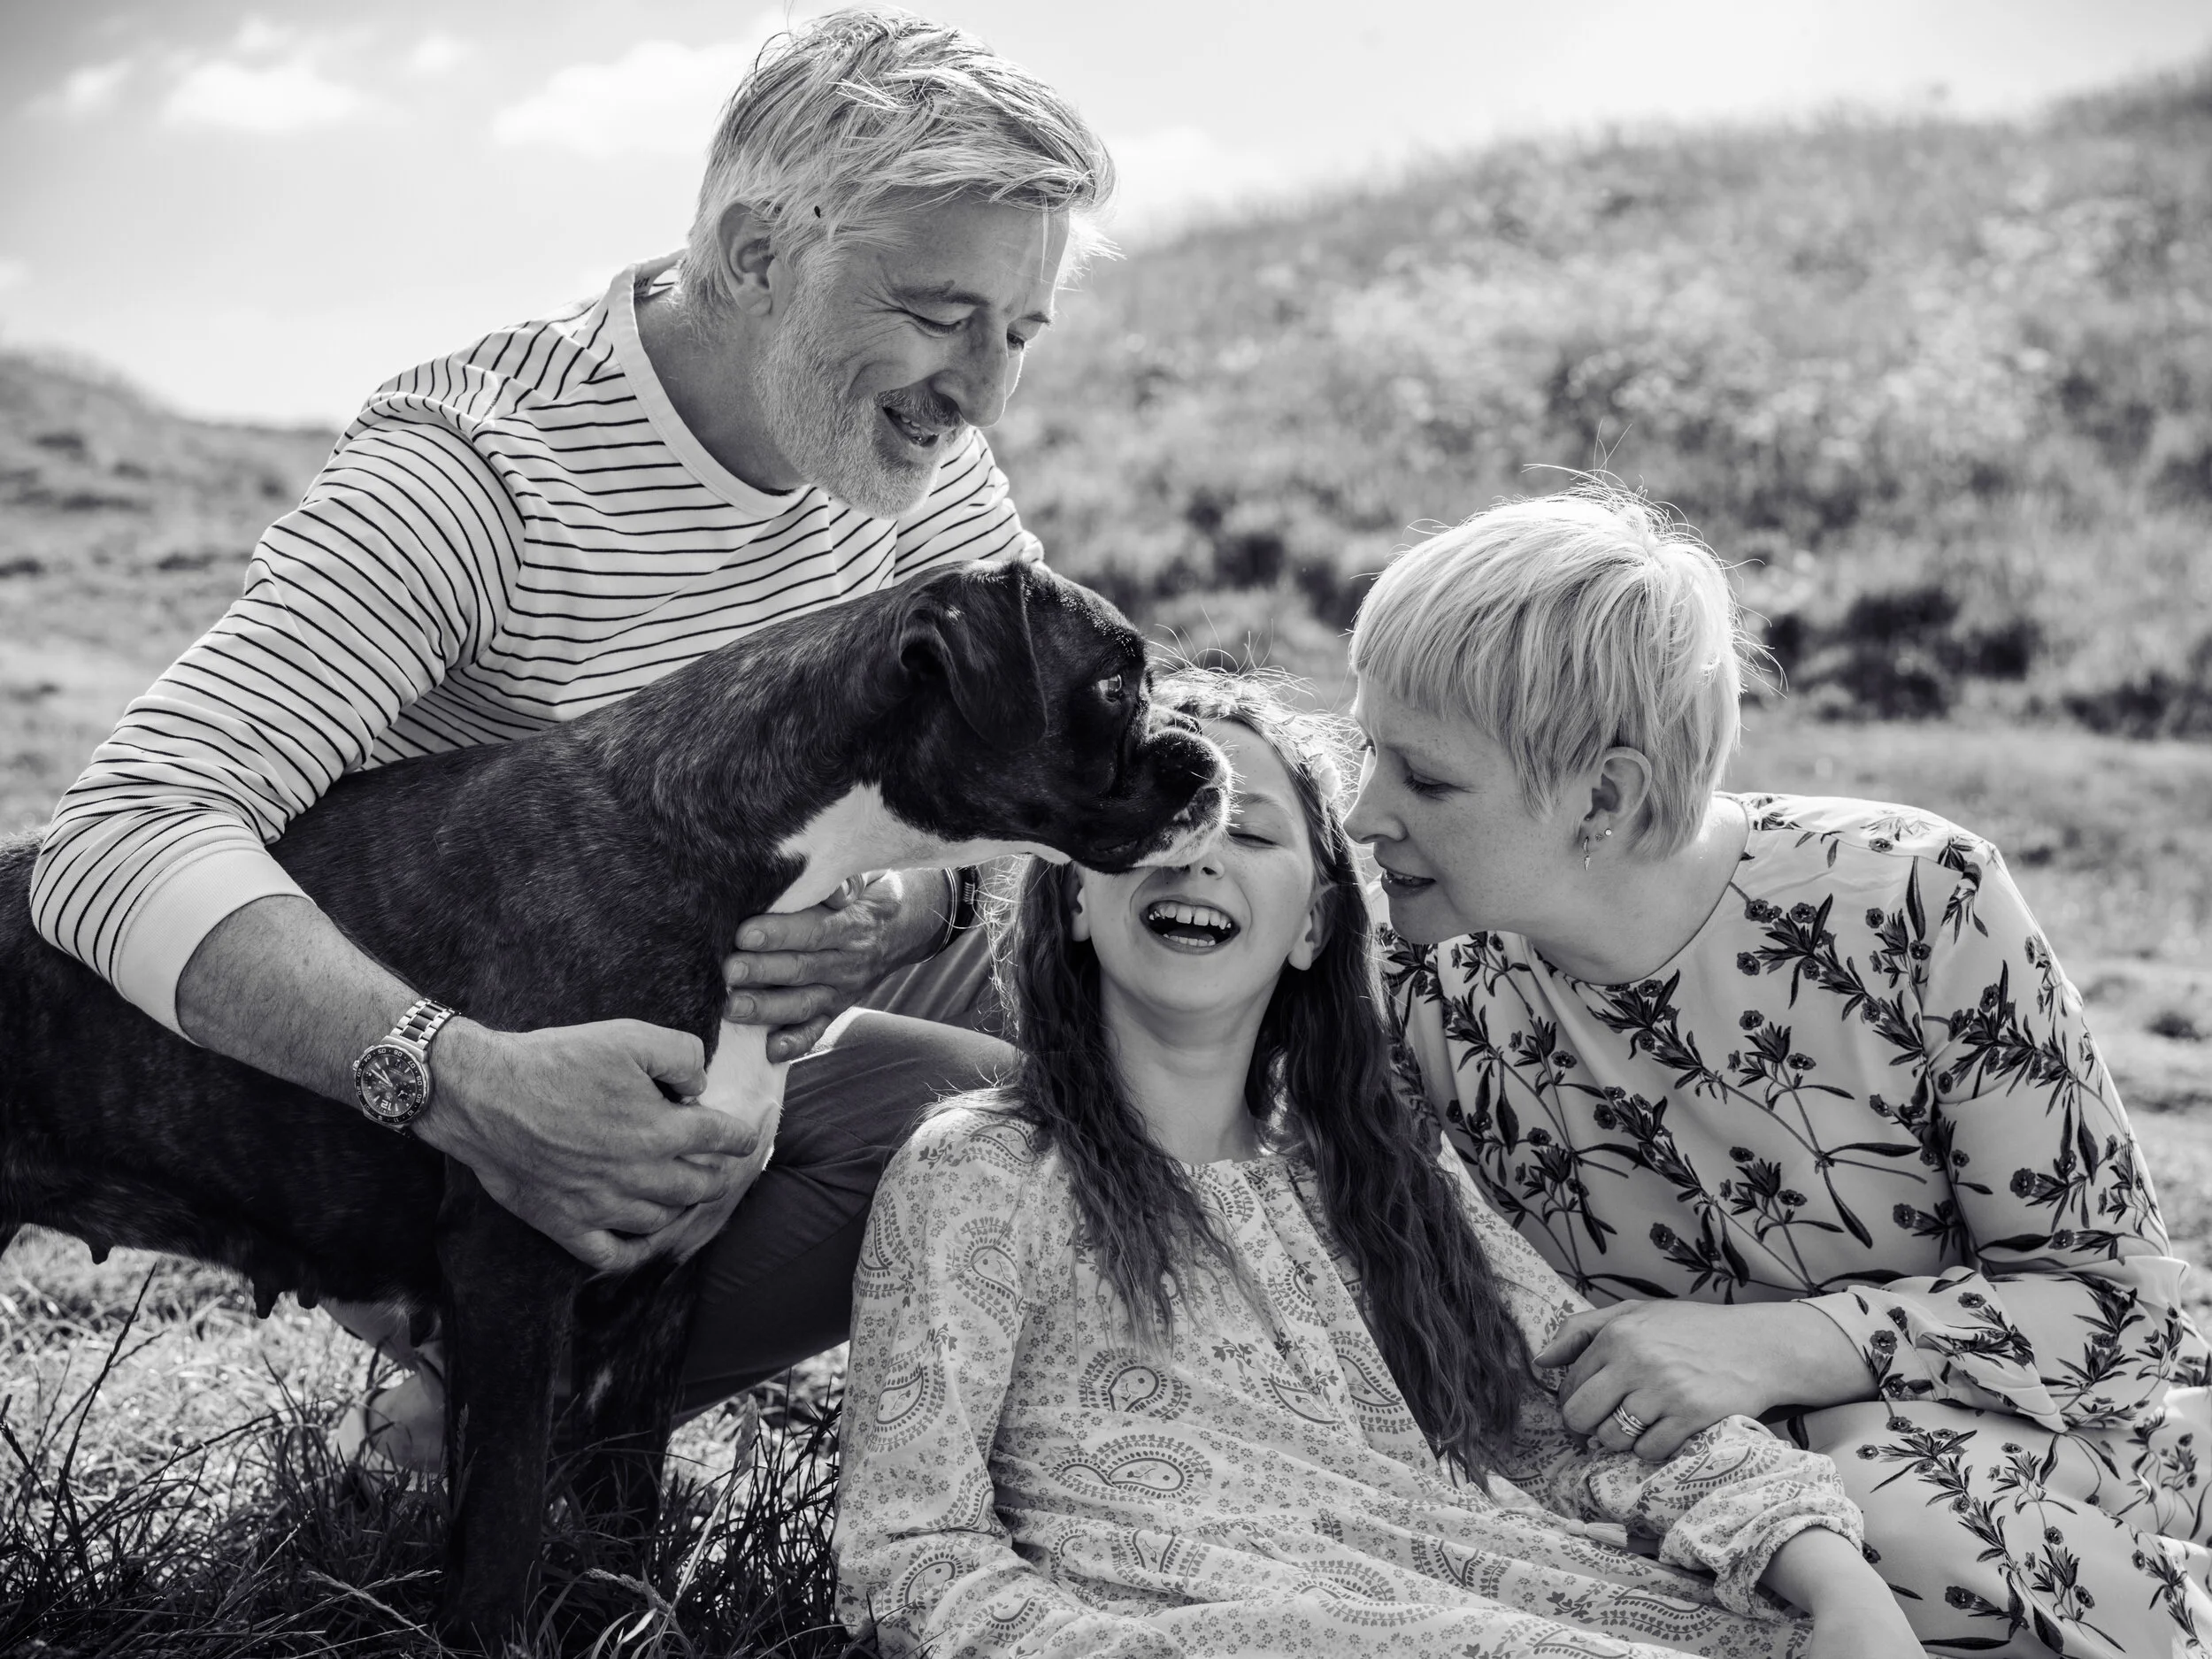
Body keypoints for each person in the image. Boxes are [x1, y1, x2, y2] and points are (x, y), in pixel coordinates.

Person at [27, 9, 1107, 1452]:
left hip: (740, 1005)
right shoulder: (478, 477)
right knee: (974, 1116)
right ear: (757, 257)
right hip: (464, 1081)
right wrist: (459, 1080)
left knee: (1175, 946)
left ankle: (1152, 1456)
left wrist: (910, 902)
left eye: (1018, 332)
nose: (982, 394)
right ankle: (493, 1389)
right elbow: (122, 833)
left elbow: (1011, 795)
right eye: (934, 313)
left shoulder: (919, 459)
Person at [835, 669, 1913, 1658]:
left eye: (1249, 832)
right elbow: (909, 1550)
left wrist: (1831, 1577)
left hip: (1489, 1610)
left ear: (1312, 926)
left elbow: (1592, 1411)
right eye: (1155, 827)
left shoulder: (1375, 1179)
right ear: (1074, 891)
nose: (1199, 853)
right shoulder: (983, 1171)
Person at [1346, 482, 2212, 1658]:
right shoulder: (1417, 980)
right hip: (1707, 1494)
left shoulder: (1916, 897)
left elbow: (2119, 1312)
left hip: (2031, 1464)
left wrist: (1785, 1345)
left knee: (1881, 1511)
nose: (1361, 812)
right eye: (1366, 752)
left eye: (1427, 781)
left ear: (1607, 793)